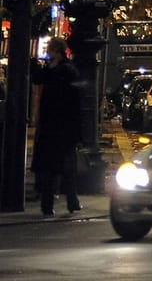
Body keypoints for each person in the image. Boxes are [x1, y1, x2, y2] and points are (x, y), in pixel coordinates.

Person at [32, 39, 84, 216]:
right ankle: (55, 203)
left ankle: (66, 202)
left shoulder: (66, 71)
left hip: (61, 126)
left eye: (50, 50)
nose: (48, 53)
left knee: (62, 167)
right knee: (54, 167)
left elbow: (72, 101)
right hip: (52, 126)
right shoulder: (54, 69)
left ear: (57, 51)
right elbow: (38, 78)